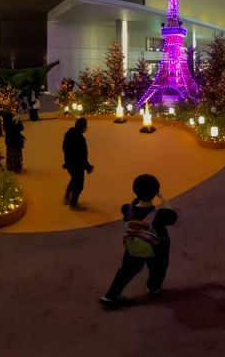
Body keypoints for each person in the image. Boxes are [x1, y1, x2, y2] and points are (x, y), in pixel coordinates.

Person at [100, 174, 178, 308]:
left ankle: (111, 295)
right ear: (155, 192)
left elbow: (131, 210)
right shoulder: (162, 215)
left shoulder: (127, 209)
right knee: (158, 270)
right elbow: (173, 216)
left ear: (134, 191)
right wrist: (162, 198)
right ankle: (153, 288)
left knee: (126, 271)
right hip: (157, 250)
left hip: (133, 248)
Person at [62, 117, 93, 210]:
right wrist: (88, 167)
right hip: (77, 166)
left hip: (69, 164)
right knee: (79, 185)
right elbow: (82, 156)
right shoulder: (80, 139)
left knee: (74, 179)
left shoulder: (69, 134)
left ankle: (67, 196)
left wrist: (67, 162)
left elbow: (65, 149)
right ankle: (73, 203)